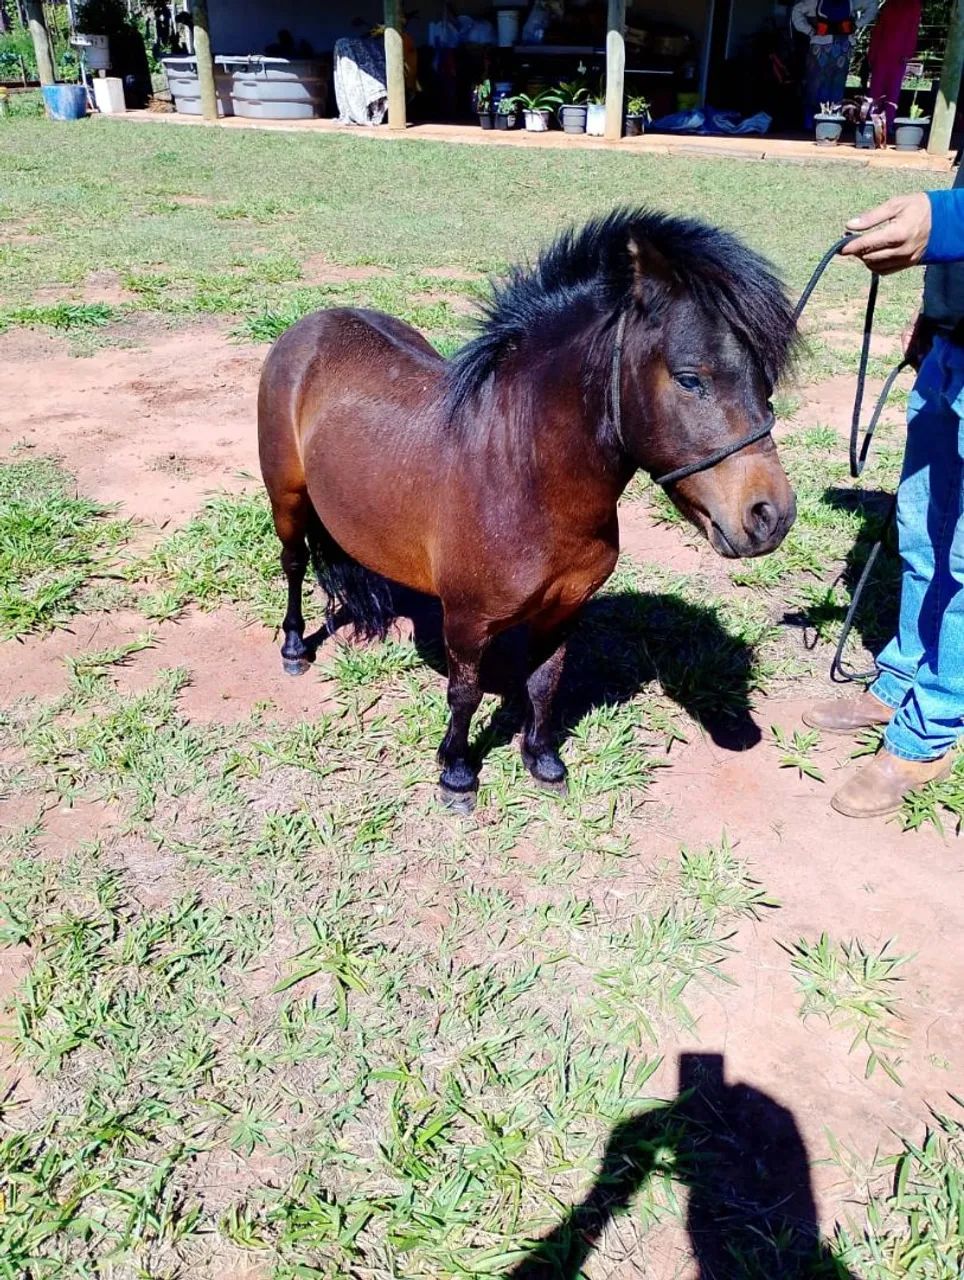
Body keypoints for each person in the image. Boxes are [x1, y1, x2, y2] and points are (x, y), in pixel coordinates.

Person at [804, 170, 964, 817]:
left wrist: (949, 224)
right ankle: (904, 675)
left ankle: (933, 727)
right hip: (953, 346)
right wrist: (938, 307)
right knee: (923, 530)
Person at [791, 0, 879, 129]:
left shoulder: (851, 2)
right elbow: (797, 10)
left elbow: (872, 5)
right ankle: (814, 122)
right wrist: (809, 31)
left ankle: (831, 121)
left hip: (837, 49)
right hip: (825, 49)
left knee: (832, 87)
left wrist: (856, 25)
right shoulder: (817, 2)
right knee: (816, 87)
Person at [867, 0, 923, 134]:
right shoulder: (889, 4)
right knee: (877, 89)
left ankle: (887, 125)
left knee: (892, 91)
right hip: (883, 53)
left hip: (898, 55)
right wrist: (872, 53)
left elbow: (913, 29)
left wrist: (908, 52)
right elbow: (879, 28)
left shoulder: (913, 4)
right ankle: (872, 124)